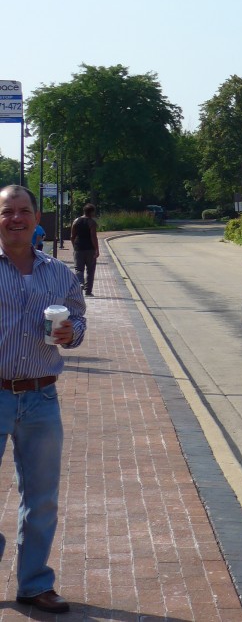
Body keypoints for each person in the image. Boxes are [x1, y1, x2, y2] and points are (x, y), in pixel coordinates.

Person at [0, 184, 86, 614]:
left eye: (23, 211)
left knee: (42, 497)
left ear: (37, 218)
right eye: (6, 211)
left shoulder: (59, 273)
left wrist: (71, 334)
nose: (15, 218)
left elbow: (79, 319)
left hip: (41, 396)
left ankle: (34, 584)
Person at [70, 204, 99, 296]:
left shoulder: (76, 221)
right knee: (90, 270)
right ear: (92, 212)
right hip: (90, 249)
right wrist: (97, 249)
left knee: (78, 268)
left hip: (78, 248)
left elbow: (72, 236)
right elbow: (93, 237)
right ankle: (88, 291)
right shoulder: (92, 223)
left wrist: (74, 246)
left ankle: (80, 283)